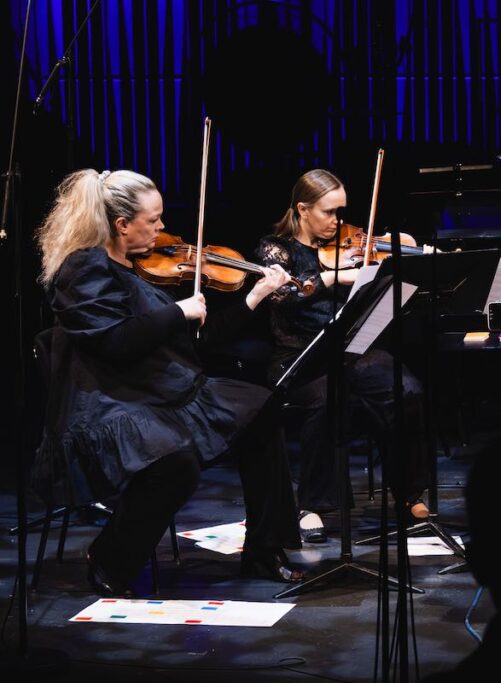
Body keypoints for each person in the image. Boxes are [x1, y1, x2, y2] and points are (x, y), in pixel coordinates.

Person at [32, 169, 305, 596]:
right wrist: (178, 312)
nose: (162, 230)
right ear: (122, 225)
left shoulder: (137, 264)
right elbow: (115, 342)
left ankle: (264, 549)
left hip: (160, 390)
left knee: (262, 408)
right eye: (153, 220)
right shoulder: (84, 269)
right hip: (111, 400)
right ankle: (110, 558)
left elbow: (197, 344)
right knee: (175, 461)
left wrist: (251, 298)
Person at [255, 169, 430, 538]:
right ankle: (313, 504)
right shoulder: (276, 248)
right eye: (329, 212)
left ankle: (407, 489)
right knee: (325, 399)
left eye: (341, 212)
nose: (338, 222)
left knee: (406, 389)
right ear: (303, 210)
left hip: (351, 349)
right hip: (299, 355)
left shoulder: (351, 246)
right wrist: (335, 277)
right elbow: (281, 296)